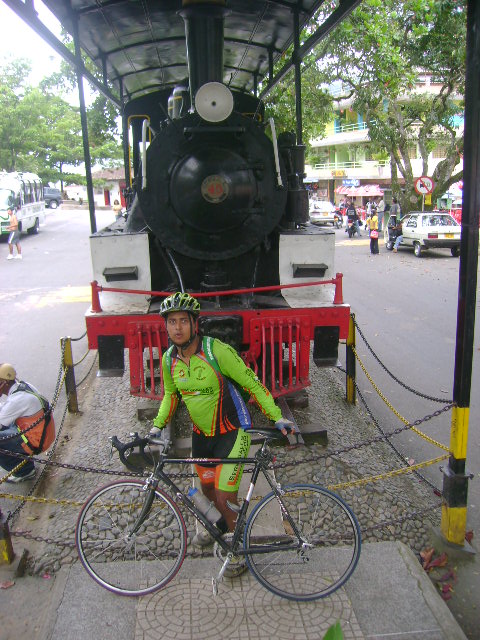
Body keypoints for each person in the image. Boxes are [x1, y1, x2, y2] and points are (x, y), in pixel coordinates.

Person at [149, 292, 296, 565]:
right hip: (201, 436)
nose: (177, 328)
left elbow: (253, 383)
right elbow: (170, 395)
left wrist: (276, 417)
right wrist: (157, 426)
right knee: (206, 490)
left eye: (183, 321)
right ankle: (218, 528)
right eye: (171, 322)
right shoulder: (169, 360)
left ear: (195, 324)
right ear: (166, 326)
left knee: (225, 495)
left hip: (233, 432)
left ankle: (236, 550)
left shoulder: (216, 351)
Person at [0, 364, 41, 482]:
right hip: (39, 430)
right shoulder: (23, 386)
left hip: (35, 440)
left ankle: (24, 472)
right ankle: (25, 465)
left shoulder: (16, 400)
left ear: (5, 383)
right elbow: (6, 410)